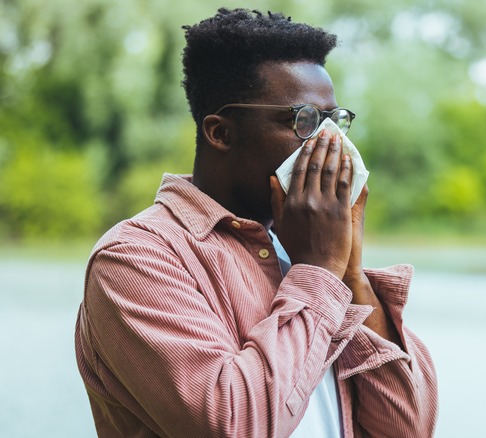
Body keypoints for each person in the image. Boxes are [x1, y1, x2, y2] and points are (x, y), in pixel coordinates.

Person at [74, 8, 438, 437]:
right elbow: (236, 425)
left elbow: (407, 428)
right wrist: (319, 270)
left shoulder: (302, 246)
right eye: (302, 120)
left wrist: (351, 272)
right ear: (221, 133)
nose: (330, 143)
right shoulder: (138, 259)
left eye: (334, 122)